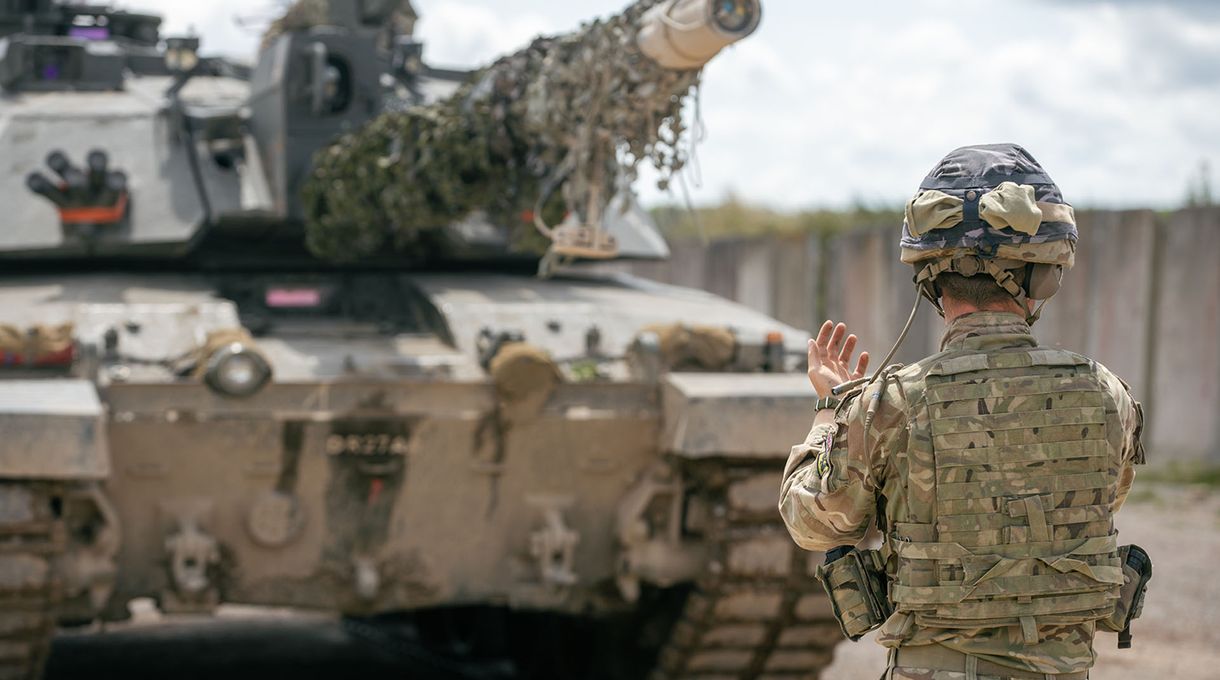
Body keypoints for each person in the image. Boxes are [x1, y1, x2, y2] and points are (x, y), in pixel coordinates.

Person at [778, 143, 1148, 680]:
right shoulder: (1108, 394)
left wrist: (832, 411)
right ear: (1045, 272)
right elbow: (1103, 498)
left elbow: (815, 523)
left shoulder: (890, 404)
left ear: (928, 275)